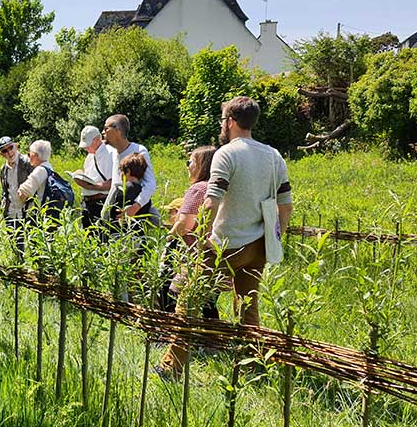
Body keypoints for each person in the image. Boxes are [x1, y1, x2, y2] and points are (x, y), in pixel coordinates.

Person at [157, 97, 293, 378]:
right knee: (247, 306)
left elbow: (211, 202)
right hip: (258, 245)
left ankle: (172, 366)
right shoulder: (273, 156)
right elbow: (286, 204)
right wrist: (276, 238)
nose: (222, 125)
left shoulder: (226, 154)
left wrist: (204, 237)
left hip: (224, 243)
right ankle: (253, 365)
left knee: (188, 299)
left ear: (230, 121)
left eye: (222, 120)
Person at [158, 146, 218, 315]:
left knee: (173, 295)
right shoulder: (218, 189)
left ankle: (172, 335)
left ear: (202, 165)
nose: (187, 166)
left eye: (190, 162)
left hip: (196, 256)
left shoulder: (198, 189)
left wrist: (169, 237)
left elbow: (184, 225)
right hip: (217, 253)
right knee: (208, 302)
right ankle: (211, 338)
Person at [100, 114, 159, 225]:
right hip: (118, 208)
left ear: (117, 130)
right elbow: (115, 185)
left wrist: (135, 207)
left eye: (106, 128)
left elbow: (150, 184)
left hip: (134, 211)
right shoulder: (113, 153)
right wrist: (105, 213)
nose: (103, 132)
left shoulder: (138, 151)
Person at [0, 136, 33, 250]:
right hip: (11, 213)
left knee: (31, 246)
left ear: (16, 146)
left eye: (11, 147)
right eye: (4, 151)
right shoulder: (3, 169)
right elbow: (5, 191)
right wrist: (3, 206)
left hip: (28, 212)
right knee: (16, 248)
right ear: (1, 154)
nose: (9, 152)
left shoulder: (27, 162)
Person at [74, 125, 113, 229]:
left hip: (101, 203)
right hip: (87, 203)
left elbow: (113, 182)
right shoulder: (90, 156)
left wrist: (92, 187)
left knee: (102, 237)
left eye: (88, 145)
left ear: (97, 140)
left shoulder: (110, 153)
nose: (86, 148)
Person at [17, 139, 53, 208]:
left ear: (36, 155)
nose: (28, 156)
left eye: (29, 154)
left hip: (38, 213)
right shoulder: (49, 168)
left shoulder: (40, 171)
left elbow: (22, 194)